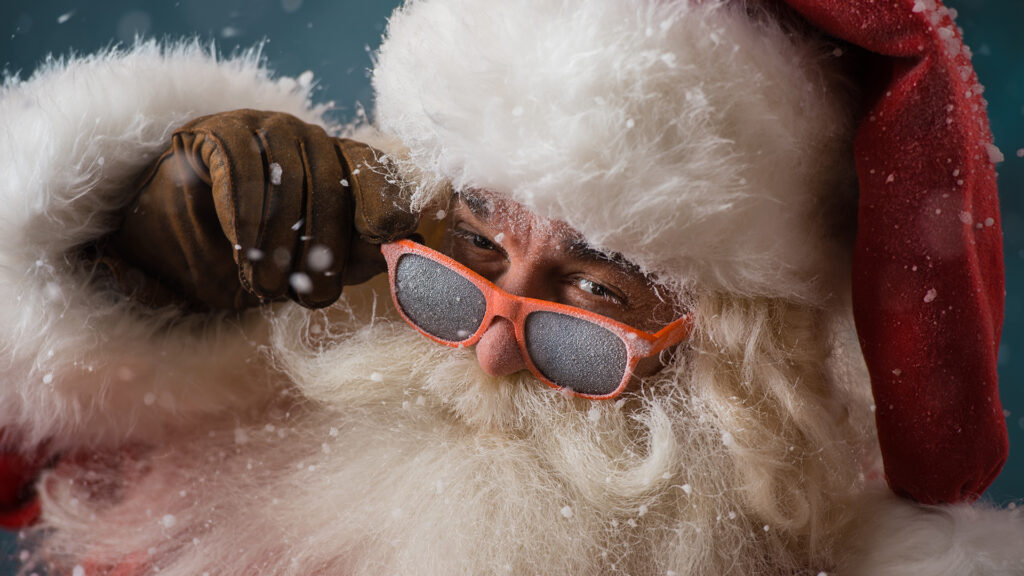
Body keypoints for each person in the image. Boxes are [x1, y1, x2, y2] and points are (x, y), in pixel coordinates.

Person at [0, 0, 1021, 574]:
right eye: (472, 248)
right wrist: (121, 267)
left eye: (592, 299)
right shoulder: (238, 446)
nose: (487, 349)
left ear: (739, 369)